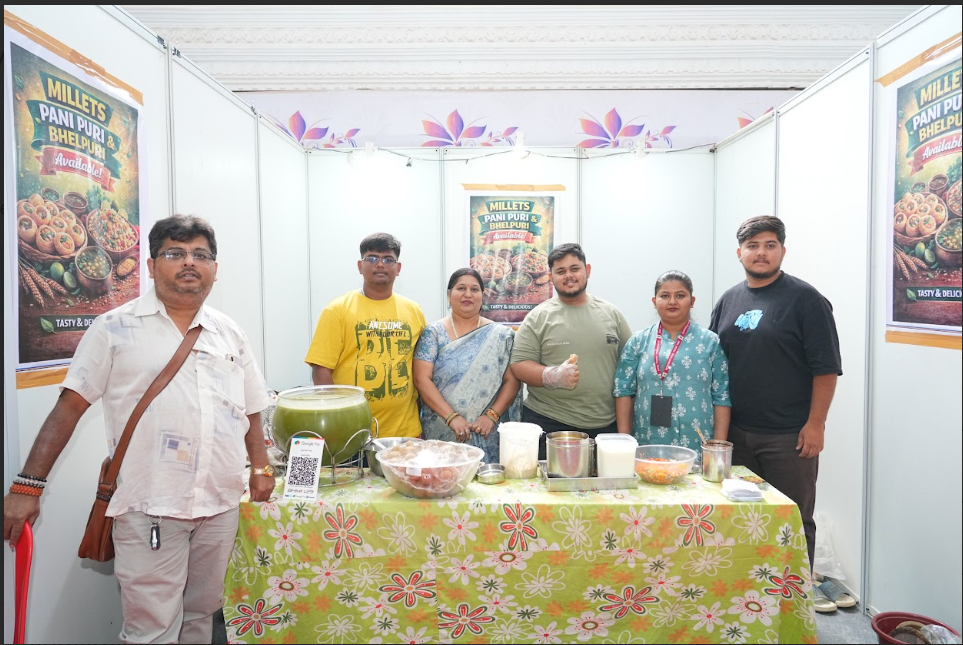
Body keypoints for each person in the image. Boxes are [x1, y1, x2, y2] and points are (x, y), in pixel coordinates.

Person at [3, 215, 274, 644]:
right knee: (152, 630)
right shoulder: (114, 327)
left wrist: (260, 467)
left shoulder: (229, 332)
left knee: (201, 617)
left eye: (201, 255)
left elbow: (253, 406)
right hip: (150, 504)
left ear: (215, 269)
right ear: (151, 265)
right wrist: (27, 486)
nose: (189, 262)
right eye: (175, 253)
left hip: (219, 503)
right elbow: (69, 406)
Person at [709, 215, 841, 574]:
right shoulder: (728, 300)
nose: (761, 253)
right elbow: (714, 364)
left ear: (783, 250)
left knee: (792, 519)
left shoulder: (806, 300)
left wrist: (816, 424)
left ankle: (794, 598)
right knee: (742, 519)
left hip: (789, 438)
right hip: (737, 436)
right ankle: (750, 595)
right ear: (739, 253)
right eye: (752, 246)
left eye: (770, 245)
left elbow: (826, 369)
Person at [510, 242, 632, 457]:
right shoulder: (537, 317)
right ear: (551, 277)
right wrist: (552, 375)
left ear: (588, 270)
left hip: (605, 426)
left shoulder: (612, 314)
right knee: (548, 481)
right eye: (561, 271)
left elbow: (630, 368)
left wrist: (624, 434)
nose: (569, 276)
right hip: (549, 422)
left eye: (575, 269)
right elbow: (519, 365)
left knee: (604, 481)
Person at [305, 232, 426, 440]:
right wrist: (337, 420)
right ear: (360, 266)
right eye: (372, 258)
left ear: (398, 268)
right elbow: (321, 370)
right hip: (351, 434)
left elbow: (421, 369)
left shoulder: (414, 311)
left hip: (405, 431)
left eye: (388, 259)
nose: (380, 264)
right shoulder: (337, 310)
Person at [613, 270, 730, 453]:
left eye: (680, 295)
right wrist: (624, 444)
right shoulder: (638, 342)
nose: (672, 301)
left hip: (698, 445)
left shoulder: (711, 342)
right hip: (648, 443)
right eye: (665, 296)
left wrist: (718, 449)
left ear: (692, 301)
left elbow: (722, 396)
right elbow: (622, 392)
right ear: (654, 301)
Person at [413, 268, 522, 461]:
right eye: (461, 288)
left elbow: (512, 380)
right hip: (442, 430)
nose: (468, 294)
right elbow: (422, 379)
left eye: (474, 289)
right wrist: (452, 417)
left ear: (482, 295)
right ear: (449, 295)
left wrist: (491, 416)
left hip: (488, 431)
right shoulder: (433, 333)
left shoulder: (501, 335)